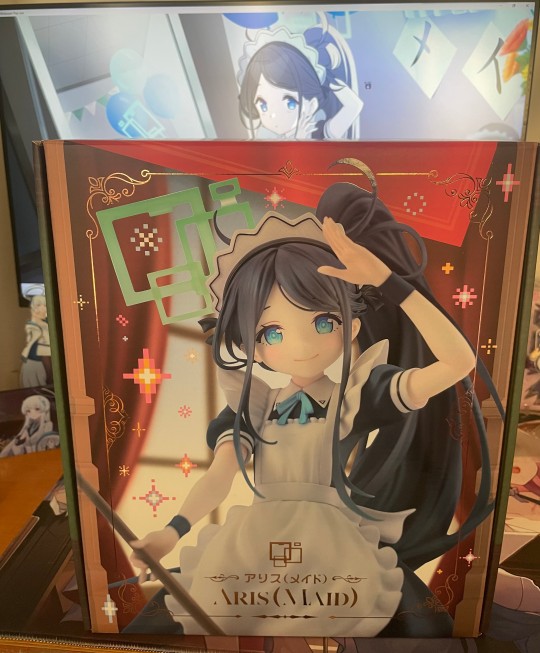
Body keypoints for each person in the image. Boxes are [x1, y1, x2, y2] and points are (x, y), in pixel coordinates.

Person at [129, 178, 493, 637]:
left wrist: (388, 282)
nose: (301, 346)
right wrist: (172, 531)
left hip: (333, 542)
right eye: (272, 332)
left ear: (352, 324)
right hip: (254, 540)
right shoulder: (252, 406)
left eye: (323, 322)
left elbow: (458, 363)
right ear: (250, 344)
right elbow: (220, 476)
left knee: (418, 630)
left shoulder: (357, 393)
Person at [237, 20, 363, 140]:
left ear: (312, 105)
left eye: (290, 103)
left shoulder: (318, 132)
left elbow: (354, 106)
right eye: (262, 105)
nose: (273, 115)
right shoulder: (268, 139)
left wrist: (331, 82)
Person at [20, 293, 52, 388]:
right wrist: (50, 375)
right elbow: (44, 355)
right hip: (38, 367)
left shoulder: (33, 323)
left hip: (28, 366)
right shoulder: (44, 326)